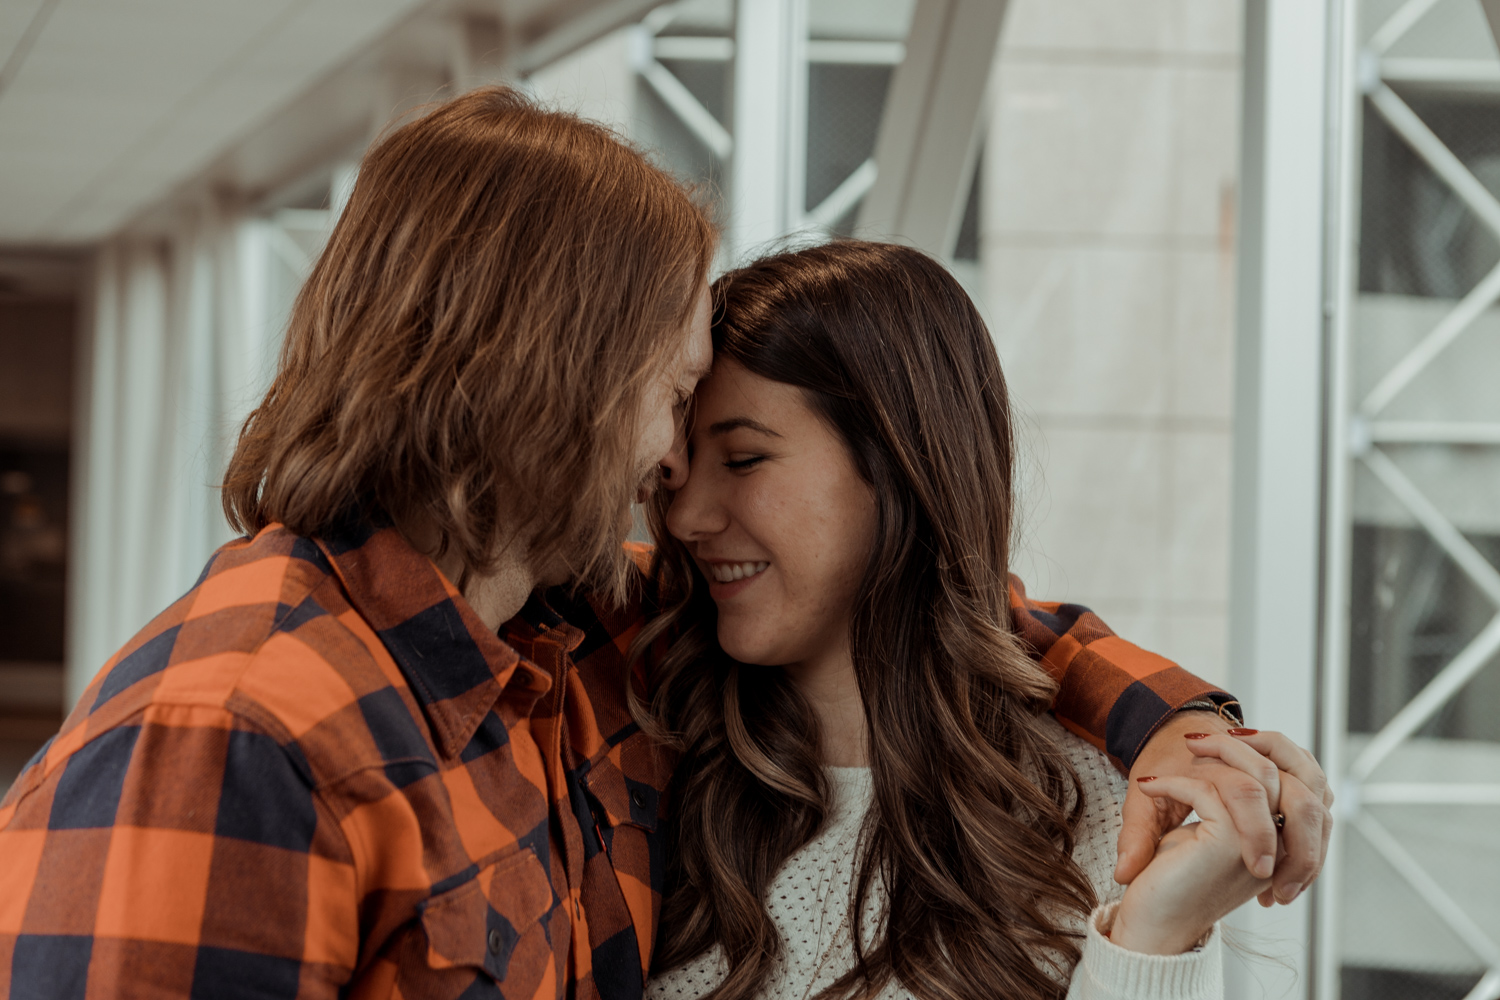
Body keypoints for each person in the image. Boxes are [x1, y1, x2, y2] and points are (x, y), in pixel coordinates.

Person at [0, 89, 1325, 1000]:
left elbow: (953, 610)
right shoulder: (236, 735)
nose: (669, 474)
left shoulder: (553, 657)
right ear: (550, 380)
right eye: (668, 398)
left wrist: (1174, 726)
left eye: (726, 446)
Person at [637, 241, 1328, 1000]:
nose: (687, 514)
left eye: (742, 460)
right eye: (674, 467)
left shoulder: (1109, 815)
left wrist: (1152, 943)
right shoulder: (639, 751)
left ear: (901, 463)